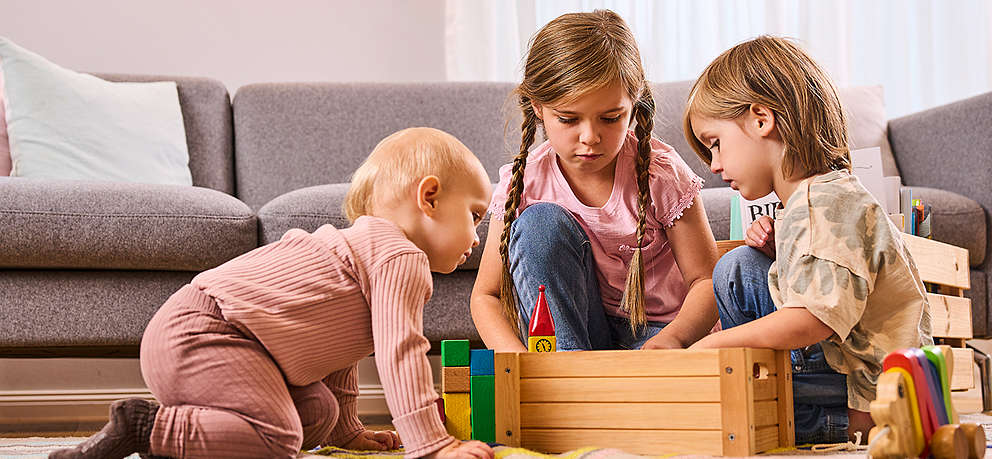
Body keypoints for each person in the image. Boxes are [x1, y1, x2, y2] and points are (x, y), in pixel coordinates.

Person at [50, 127, 496, 459]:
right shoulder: (401, 256)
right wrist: (432, 444)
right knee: (280, 438)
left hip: (203, 335)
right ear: (430, 197)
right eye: (475, 215)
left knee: (317, 415)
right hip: (209, 333)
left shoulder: (363, 251)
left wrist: (346, 429)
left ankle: (196, 439)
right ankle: (147, 427)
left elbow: (341, 347)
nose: (478, 236)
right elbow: (400, 352)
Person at [683, 36, 931, 444]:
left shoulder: (819, 205)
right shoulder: (824, 198)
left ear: (761, 119)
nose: (715, 166)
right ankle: (758, 400)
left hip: (866, 395)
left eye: (716, 144)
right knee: (740, 267)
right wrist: (783, 254)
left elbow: (811, 319)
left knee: (735, 274)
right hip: (872, 378)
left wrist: (713, 348)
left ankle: (777, 412)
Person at [470, 9, 720, 353]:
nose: (590, 137)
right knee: (539, 224)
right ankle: (567, 376)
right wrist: (518, 360)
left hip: (659, 334)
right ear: (538, 107)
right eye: (569, 119)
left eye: (610, 118)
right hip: (575, 338)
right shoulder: (523, 180)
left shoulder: (660, 173)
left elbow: (705, 280)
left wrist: (674, 339)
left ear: (634, 106)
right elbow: (487, 295)